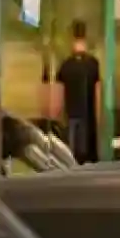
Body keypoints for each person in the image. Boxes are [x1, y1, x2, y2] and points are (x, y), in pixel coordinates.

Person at [49, 21, 102, 163]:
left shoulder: (66, 65)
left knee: (72, 154)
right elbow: (98, 93)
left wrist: (57, 117)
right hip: (88, 117)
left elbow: (57, 97)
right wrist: (99, 117)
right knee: (84, 152)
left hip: (72, 114)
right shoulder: (93, 64)